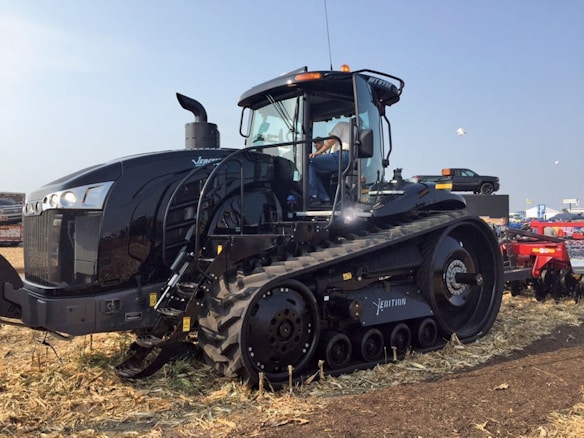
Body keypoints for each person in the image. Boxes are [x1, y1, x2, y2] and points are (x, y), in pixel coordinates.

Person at [308, 121, 351, 206]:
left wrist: (318, 152)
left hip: (342, 156)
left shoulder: (341, 124)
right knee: (314, 170)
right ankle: (325, 199)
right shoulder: (354, 129)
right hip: (345, 157)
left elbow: (332, 139)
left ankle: (313, 195)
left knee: (309, 161)